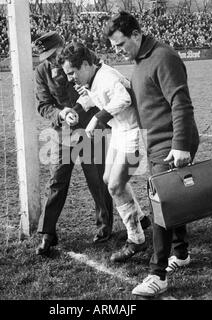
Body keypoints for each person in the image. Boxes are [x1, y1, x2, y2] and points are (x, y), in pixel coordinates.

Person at [105, 11, 200, 297]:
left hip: (170, 143)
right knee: (173, 199)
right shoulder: (141, 61)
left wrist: (180, 144)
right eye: (113, 47)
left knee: (160, 204)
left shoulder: (163, 57)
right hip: (156, 142)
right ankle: (181, 254)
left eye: (121, 43)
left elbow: (181, 103)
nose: (118, 51)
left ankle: (157, 274)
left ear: (136, 34)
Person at [58, 42, 151, 263]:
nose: (70, 78)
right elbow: (93, 96)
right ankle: (140, 218)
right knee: (108, 178)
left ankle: (136, 239)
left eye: (72, 72)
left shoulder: (107, 77)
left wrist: (98, 119)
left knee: (114, 186)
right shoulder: (94, 77)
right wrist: (76, 110)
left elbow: (124, 99)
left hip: (133, 132)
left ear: (85, 65)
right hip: (120, 131)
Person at [33, 31, 113, 256]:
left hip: (90, 127)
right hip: (62, 133)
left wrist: (86, 94)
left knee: (97, 178)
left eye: (53, 54)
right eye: (46, 56)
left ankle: (104, 225)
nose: (50, 59)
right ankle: (47, 232)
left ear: (62, 46)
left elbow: (103, 87)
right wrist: (61, 113)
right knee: (57, 180)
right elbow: (43, 105)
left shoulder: (86, 57)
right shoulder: (41, 72)